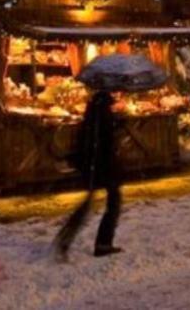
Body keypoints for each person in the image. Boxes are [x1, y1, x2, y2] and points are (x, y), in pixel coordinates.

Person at [54, 89, 123, 260]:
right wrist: (118, 122)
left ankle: (68, 239)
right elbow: (102, 139)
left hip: (96, 165)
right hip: (102, 165)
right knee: (111, 203)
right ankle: (102, 244)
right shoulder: (102, 110)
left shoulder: (95, 107)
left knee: (92, 204)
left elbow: (91, 135)